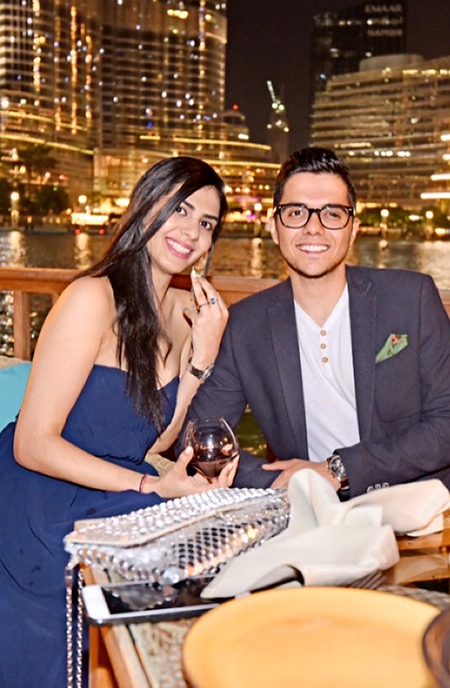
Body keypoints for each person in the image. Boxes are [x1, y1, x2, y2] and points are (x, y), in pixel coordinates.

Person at [0, 156, 238, 688]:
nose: (190, 231)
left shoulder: (184, 313)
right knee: (124, 580)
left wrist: (201, 360)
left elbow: (156, 439)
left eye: (206, 223)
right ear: (146, 206)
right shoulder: (91, 298)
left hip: (113, 487)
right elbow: (32, 444)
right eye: (180, 209)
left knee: (219, 550)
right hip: (38, 492)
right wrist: (151, 487)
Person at [181, 146, 450, 497]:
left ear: (353, 229)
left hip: (415, 505)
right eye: (296, 212)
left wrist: (338, 470)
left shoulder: (411, 298)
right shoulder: (246, 325)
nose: (313, 228)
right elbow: (198, 439)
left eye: (332, 214)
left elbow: (446, 422)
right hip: (308, 509)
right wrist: (281, 481)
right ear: (274, 228)